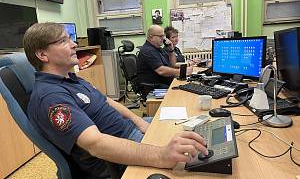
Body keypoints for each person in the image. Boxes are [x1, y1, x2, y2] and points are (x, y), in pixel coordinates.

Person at [23, 22, 208, 178]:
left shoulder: (72, 79)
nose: (73, 44)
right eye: (64, 41)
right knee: (200, 167)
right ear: (42, 55)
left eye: (70, 39)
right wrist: (160, 155)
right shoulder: (50, 98)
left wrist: (140, 122)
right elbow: (95, 144)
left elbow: (106, 101)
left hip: (133, 130)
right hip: (121, 155)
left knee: (196, 129)